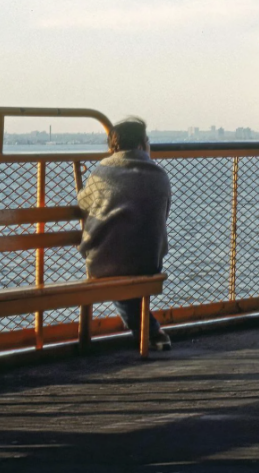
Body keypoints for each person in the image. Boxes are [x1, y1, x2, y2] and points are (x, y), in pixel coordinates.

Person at [77, 117, 172, 351]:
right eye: (148, 141)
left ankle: (151, 332)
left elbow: (83, 202)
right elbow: (164, 212)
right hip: (149, 261)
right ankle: (152, 332)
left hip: (104, 261)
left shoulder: (101, 173)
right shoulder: (160, 175)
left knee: (117, 275)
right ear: (141, 145)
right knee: (128, 276)